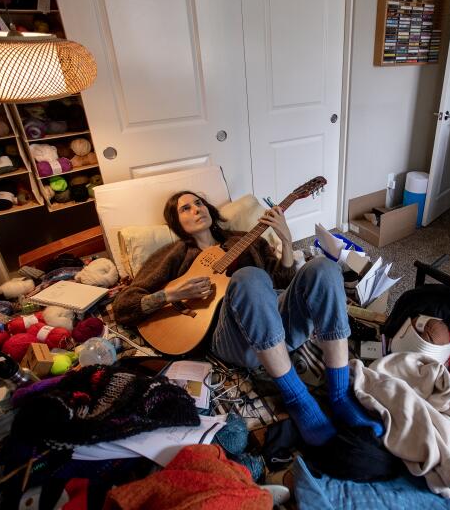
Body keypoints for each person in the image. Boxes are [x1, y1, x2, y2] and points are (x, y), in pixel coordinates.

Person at [113, 191, 383, 446]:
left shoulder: (246, 238)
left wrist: (286, 240)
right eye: (186, 208)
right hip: (235, 339)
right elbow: (123, 305)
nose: (197, 209)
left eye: (199, 203)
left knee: (324, 266)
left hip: (283, 322)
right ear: (176, 222)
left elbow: (284, 283)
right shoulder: (174, 255)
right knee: (249, 276)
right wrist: (170, 294)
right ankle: (298, 398)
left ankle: (339, 393)